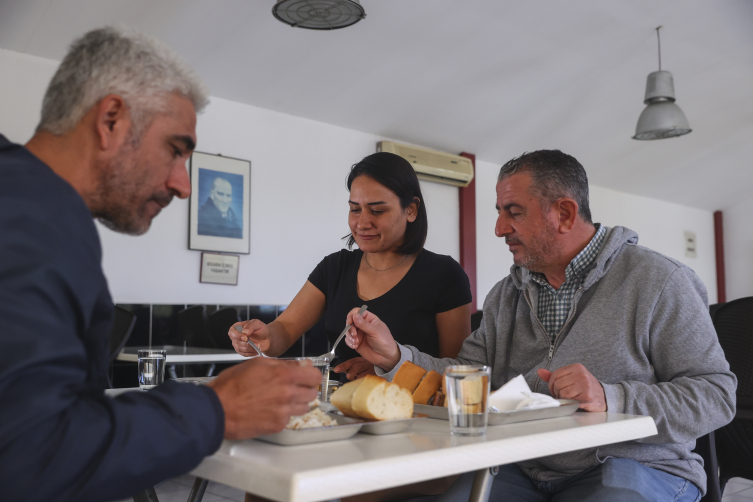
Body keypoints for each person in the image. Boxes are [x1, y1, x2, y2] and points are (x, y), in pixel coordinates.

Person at [0, 26, 321, 502]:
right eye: (176, 149)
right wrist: (217, 408)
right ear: (111, 120)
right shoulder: (35, 219)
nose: (184, 185)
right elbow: (29, 455)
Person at [344, 149, 736, 501]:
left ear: (564, 213)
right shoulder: (505, 295)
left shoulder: (659, 281)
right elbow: (467, 380)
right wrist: (394, 357)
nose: (499, 228)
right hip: (524, 465)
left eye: (513, 212)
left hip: (636, 466)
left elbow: (717, 395)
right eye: (499, 212)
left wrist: (611, 397)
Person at [228, 152, 473, 381]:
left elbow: (455, 370)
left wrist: (388, 368)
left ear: (410, 210)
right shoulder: (334, 267)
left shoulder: (444, 275)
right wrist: (263, 337)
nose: (362, 222)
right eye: (355, 209)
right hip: (342, 409)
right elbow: (285, 328)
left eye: (377, 210)